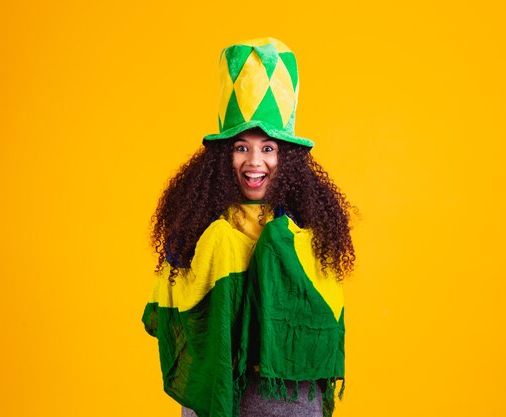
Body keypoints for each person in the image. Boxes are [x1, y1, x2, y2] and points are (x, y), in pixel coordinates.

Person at [142, 37, 356, 417]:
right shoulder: (197, 230)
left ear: (286, 158)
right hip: (217, 395)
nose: (254, 161)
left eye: (268, 148)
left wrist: (283, 247)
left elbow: (325, 321)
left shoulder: (309, 231)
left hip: (289, 399)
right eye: (241, 147)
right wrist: (209, 251)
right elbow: (177, 315)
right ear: (224, 157)